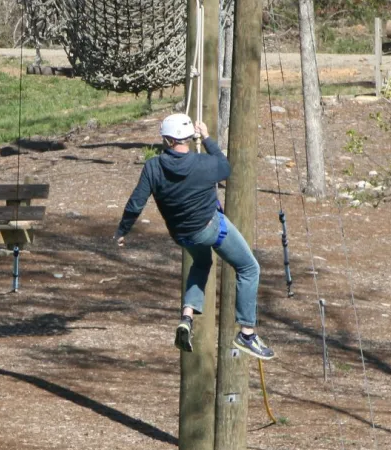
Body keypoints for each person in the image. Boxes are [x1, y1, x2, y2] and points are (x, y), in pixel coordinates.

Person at [113, 113, 275, 360]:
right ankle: (247, 332)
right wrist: (208, 138)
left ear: (167, 140)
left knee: (202, 263)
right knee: (249, 268)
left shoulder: (153, 167)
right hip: (210, 229)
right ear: (188, 138)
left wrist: (123, 230)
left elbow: (136, 203)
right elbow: (225, 167)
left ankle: (187, 317)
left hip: (181, 235)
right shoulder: (203, 163)